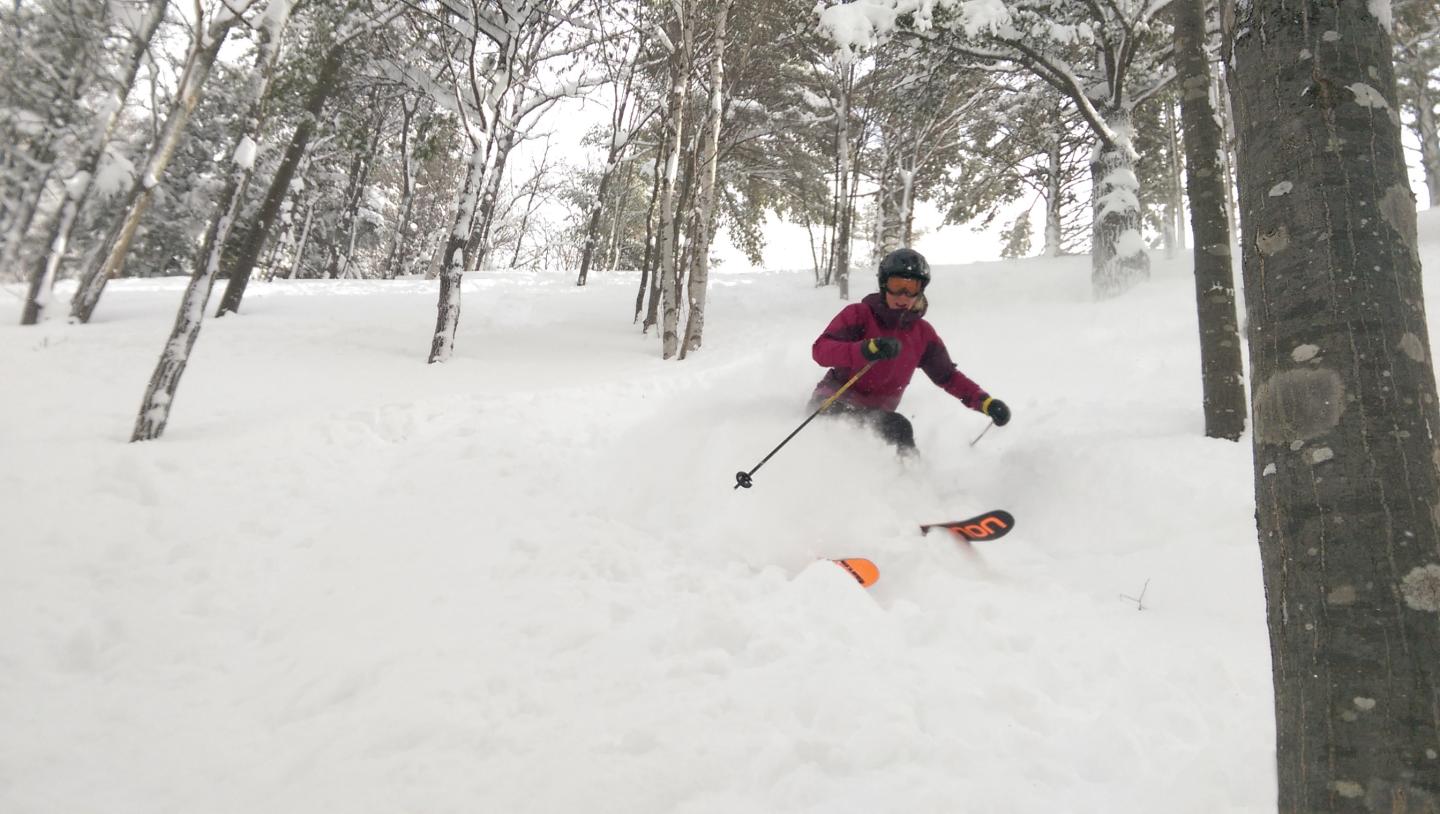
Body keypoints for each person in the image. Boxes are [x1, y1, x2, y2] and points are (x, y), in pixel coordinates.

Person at [809, 247, 1010, 452]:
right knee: (899, 428)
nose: (903, 296)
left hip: (877, 416)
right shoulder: (859, 315)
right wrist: (865, 350)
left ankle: (910, 480)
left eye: (911, 287)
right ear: (884, 285)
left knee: (894, 430)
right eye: (896, 286)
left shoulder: (922, 334)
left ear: (920, 290)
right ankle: (910, 481)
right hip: (832, 403)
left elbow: (948, 377)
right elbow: (821, 350)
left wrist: (985, 403)